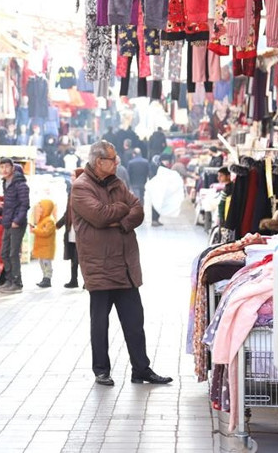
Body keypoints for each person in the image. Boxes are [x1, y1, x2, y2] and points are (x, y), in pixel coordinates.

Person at [71, 141, 172, 387]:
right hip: (100, 266)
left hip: (125, 266)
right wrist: (119, 210)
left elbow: (137, 210)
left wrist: (121, 221)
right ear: (98, 162)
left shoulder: (118, 183)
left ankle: (141, 369)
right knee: (100, 324)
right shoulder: (81, 187)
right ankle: (101, 370)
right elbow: (99, 215)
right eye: (113, 159)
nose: (117, 162)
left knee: (135, 322)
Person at [0, 158, 30, 291]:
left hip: (17, 224)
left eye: (6, 167)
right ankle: (9, 280)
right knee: (4, 253)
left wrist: (17, 221)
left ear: (12, 168)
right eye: (2, 167)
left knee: (13, 253)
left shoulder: (21, 185)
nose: (4, 170)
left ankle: (17, 283)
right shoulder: (5, 183)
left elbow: (25, 205)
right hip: (7, 222)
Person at [57, 171, 80, 288]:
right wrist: (59, 224)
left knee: (82, 257)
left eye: (74, 176)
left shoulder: (84, 191)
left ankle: (87, 281)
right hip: (71, 228)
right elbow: (68, 212)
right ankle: (74, 280)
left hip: (81, 230)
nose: (71, 178)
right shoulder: (71, 191)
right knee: (73, 256)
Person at [30, 199, 57, 288]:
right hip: (42, 247)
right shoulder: (42, 220)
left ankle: (47, 279)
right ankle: (44, 278)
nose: (39, 209)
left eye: (41, 207)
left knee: (46, 263)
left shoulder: (49, 220)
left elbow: (46, 232)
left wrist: (35, 230)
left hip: (47, 247)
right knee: (42, 263)